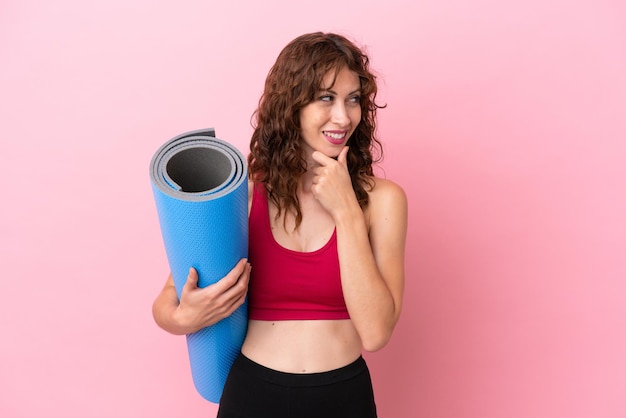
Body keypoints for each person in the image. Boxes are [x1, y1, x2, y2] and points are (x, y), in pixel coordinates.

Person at [152, 31, 408, 418]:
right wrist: (183, 317)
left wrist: (346, 212)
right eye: (326, 97)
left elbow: (375, 333)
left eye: (353, 99)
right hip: (252, 395)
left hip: (343, 397)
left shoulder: (382, 200)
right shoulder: (245, 196)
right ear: (292, 105)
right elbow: (167, 304)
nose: (344, 116)